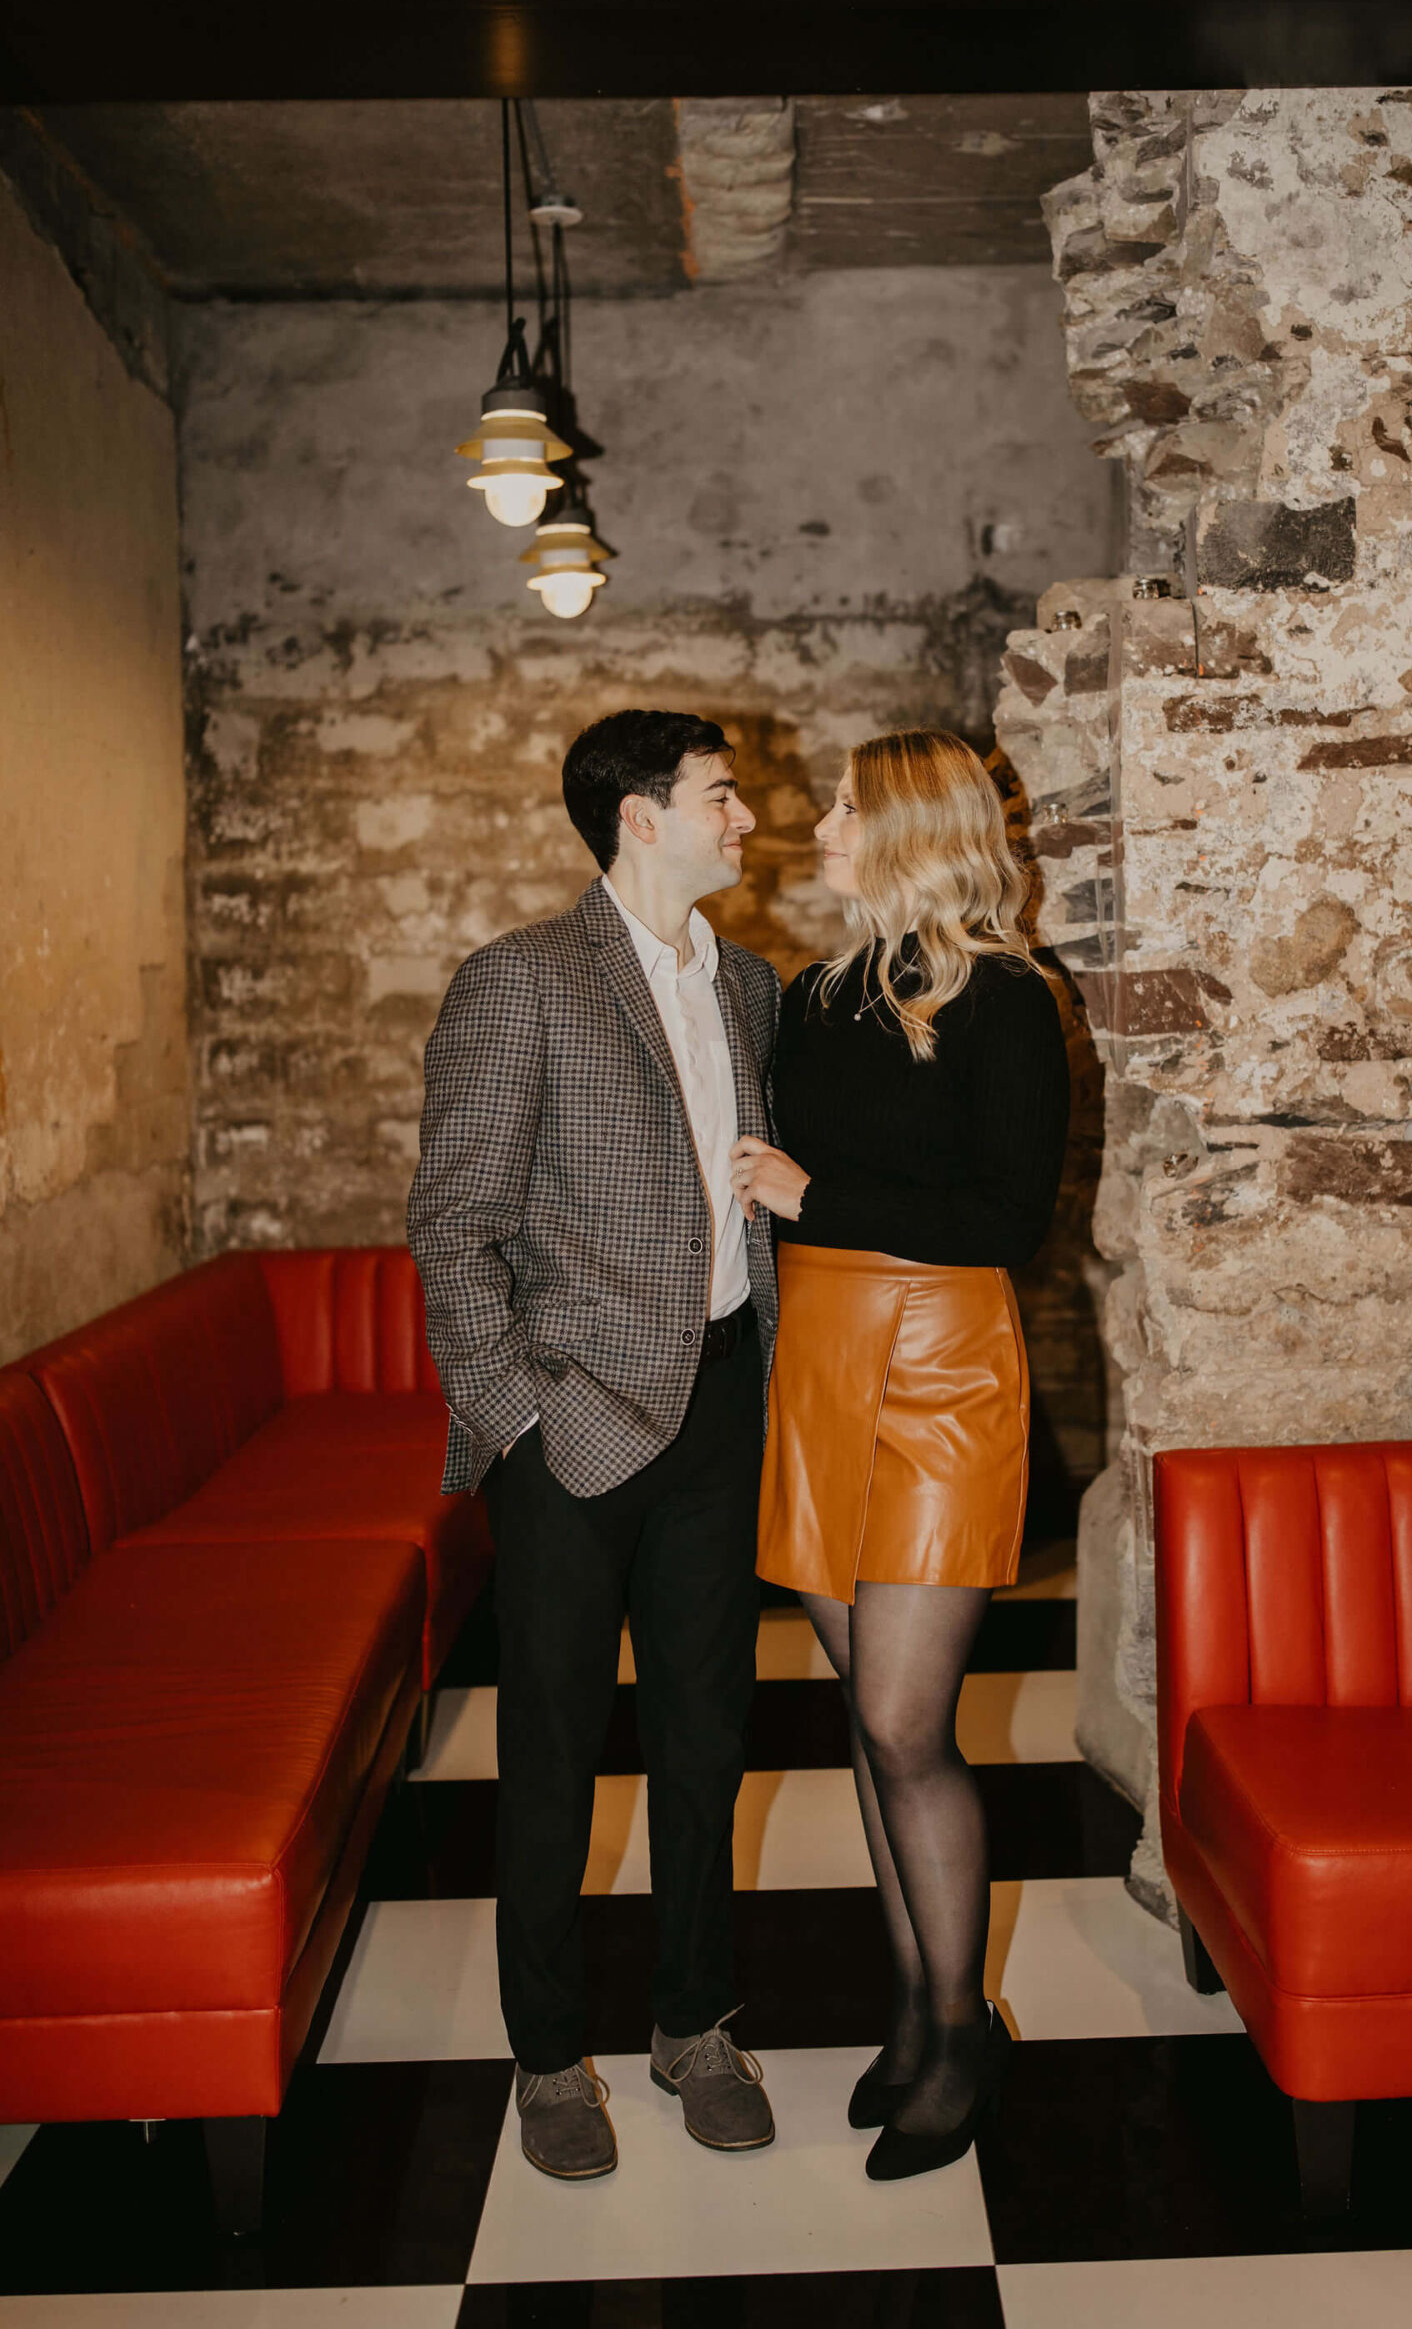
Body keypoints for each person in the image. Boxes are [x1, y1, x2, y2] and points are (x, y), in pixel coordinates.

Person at [407, 710, 780, 2182]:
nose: (744, 817)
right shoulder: (520, 983)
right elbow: (456, 1227)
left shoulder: (748, 985)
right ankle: (548, 2058)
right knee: (553, 1753)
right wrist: (516, 1420)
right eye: (720, 795)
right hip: (571, 1425)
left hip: (718, 1411)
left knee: (709, 1741)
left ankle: (694, 2026)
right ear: (637, 815)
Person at [729, 729, 1069, 2181]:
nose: (822, 828)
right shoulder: (815, 994)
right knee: (864, 1723)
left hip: (940, 1363)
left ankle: (961, 2024)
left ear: (914, 828)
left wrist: (817, 1191)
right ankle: (915, 2011)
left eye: (850, 808)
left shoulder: (1006, 1001)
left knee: (907, 1719)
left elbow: (1010, 1223)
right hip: (816, 1360)